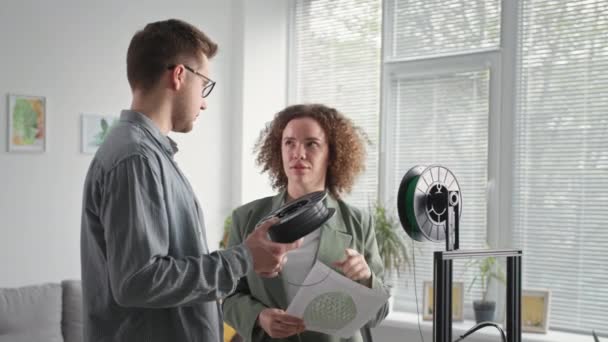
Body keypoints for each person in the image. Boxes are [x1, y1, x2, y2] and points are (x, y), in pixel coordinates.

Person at [80, 19, 300, 342]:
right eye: (205, 85)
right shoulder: (135, 158)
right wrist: (243, 257)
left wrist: (246, 259)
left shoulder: (147, 155)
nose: (204, 101)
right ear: (180, 75)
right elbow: (138, 280)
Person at [223, 104, 390, 342]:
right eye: (289, 142)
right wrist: (259, 317)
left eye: (311, 144)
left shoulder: (358, 222)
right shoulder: (246, 218)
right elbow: (228, 297)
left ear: (331, 154)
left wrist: (366, 277)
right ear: (278, 150)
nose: (298, 153)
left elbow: (379, 314)